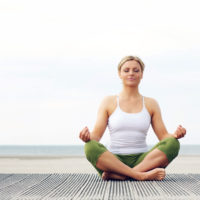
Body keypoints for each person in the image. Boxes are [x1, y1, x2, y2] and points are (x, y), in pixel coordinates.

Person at [79, 55, 186, 181]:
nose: (131, 73)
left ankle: (122, 175)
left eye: (136, 70)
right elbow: (96, 136)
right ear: (119, 74)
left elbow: (163, 136)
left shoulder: (151, 103)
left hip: (143, 161)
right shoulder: (108, 101)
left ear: (141, 74)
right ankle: (139, 175)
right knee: (89, 147)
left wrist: (175, 135)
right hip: (114, 161)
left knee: (173, 144)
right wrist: (86, 137)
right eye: (126, 70)